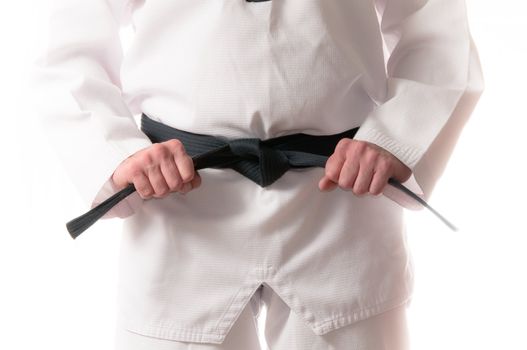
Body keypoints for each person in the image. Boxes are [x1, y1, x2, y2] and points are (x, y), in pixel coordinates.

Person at [30, 0, 483, 349]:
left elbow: (436, 22)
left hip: (339, 198)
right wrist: (117, 153)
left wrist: (396, 138)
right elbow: (72, 45)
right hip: (180, 205)